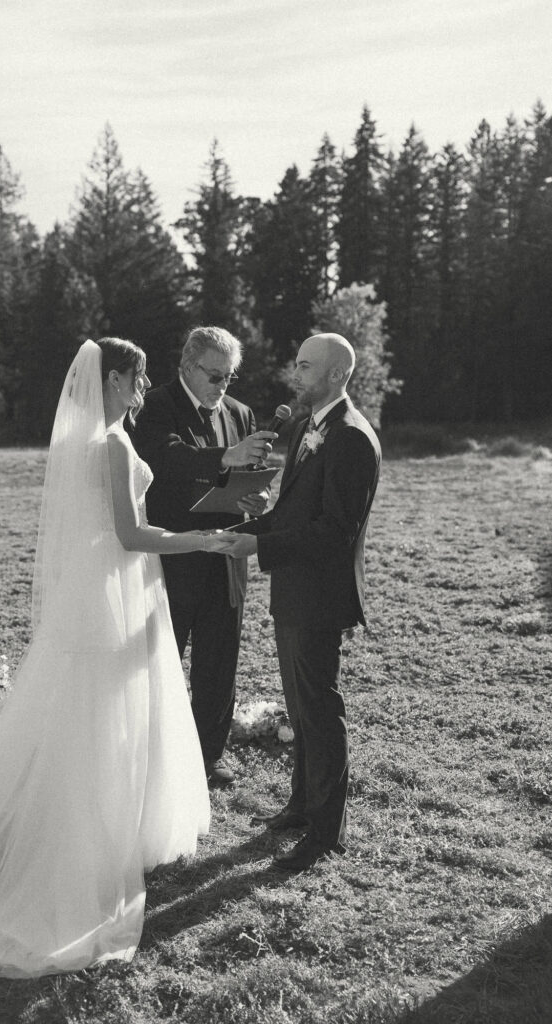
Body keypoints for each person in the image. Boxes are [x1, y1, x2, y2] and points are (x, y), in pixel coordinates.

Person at [0, 337, 228, 977]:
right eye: (136, 382)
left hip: (113, 583)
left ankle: (117, 825)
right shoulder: (109, 442)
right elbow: (131, 532)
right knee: (102, 712)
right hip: (117, 580)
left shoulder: (98, 437)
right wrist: (203, 540)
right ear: (111, 380)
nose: (143, 393)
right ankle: (89, 836)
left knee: (103, 708)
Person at [222, 333, 381, 871]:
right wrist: (245, 525)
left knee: (319, 708)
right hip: (294, 589)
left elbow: (335, 531)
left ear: (337, 375)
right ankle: (300, 806)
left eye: (307, 365)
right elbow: (295, 514)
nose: (297, 374)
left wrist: (260, 545)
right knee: (300, 705)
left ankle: (326, 829)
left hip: (320, 594)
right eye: (297, 361)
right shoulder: (311, 427)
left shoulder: (352, 438)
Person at [129, 326, 275, 787]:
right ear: (187, 367)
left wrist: (257, 498)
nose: (222, 388)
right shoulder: (154, 406)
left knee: (220, 661)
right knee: (160, 659)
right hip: (174, 554)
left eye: (229, 378)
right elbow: (166, 457)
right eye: (214, 376)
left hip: (228, 554)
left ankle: (209, 757)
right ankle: (150, 755)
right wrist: (226, 457)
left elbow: (250, 476)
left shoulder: (240, 412)